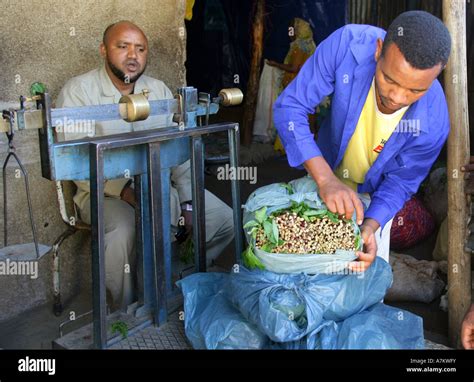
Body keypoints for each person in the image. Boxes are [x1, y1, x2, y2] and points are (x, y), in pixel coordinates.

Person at [56, 21, 234, 311]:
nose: (132, 55)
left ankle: (173, 281)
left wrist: (188, 201)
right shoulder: (78, 93)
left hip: (159, 185)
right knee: (121, 232)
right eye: (122, 46)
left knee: (222, 219)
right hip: (103, 193)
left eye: (140, 48)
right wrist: (125, 191)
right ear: (104, 50)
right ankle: (126, 310)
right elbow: (76, 161)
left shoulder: (158, 90)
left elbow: (179, 149)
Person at [273, 11, 451, 272]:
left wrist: (369, 226)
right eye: (389, 79)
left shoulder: (435, 122)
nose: (397, 97)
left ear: (436, 76)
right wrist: (325, 179)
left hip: (373, 195)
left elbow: (401, 182)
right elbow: (291, 107)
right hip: (323, 171)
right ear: (379, 50)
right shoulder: (347, 45)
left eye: (415, 90)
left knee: (363, 269)